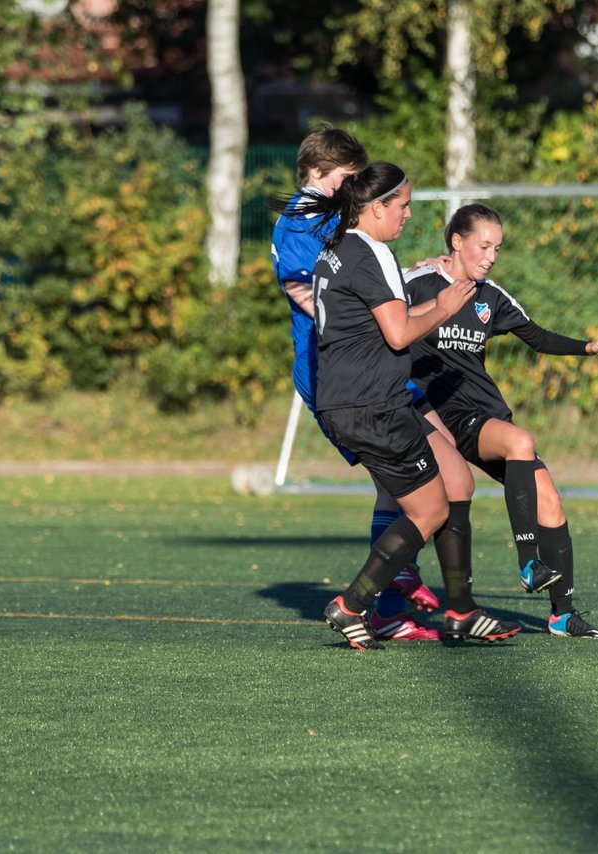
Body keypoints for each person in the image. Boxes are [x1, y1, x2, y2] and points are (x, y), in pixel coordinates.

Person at [282, 163, 522, 648]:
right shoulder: (372, 254)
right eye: (403, 205)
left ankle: (459, 610)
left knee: (456, 482)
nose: (409, 215)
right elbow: (398, 334)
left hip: (357, 399)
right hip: (371, 403)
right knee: (429, 509)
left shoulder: (338, 249)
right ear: (376, 208)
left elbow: (380, 321)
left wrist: (433, 303)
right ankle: (354, 605)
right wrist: (444, 308)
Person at [403, 204, 598, 638]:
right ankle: (527, 564)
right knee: (520, 441)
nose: (490, 256)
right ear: (456, 241)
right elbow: (385, 317)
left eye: (497, 249)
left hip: (489, 414)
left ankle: (562, 614)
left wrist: (588, 347)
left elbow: (537, 337)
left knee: (551, 502)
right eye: (483, 246)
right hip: (448, 417)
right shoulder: (418, 283)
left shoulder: (492, 296)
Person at [270, 129, 439, 642]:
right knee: (405, 481)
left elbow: (358, 272)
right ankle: (386, 592)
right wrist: (381, 309)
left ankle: (396, 582)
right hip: (340, 374)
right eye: (348, 177)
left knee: (415, 472)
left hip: (371, 368)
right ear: (318, 172)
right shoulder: (297, 222)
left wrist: (403, 279)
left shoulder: (329, 216)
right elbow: (312, 291)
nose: (354, 187)